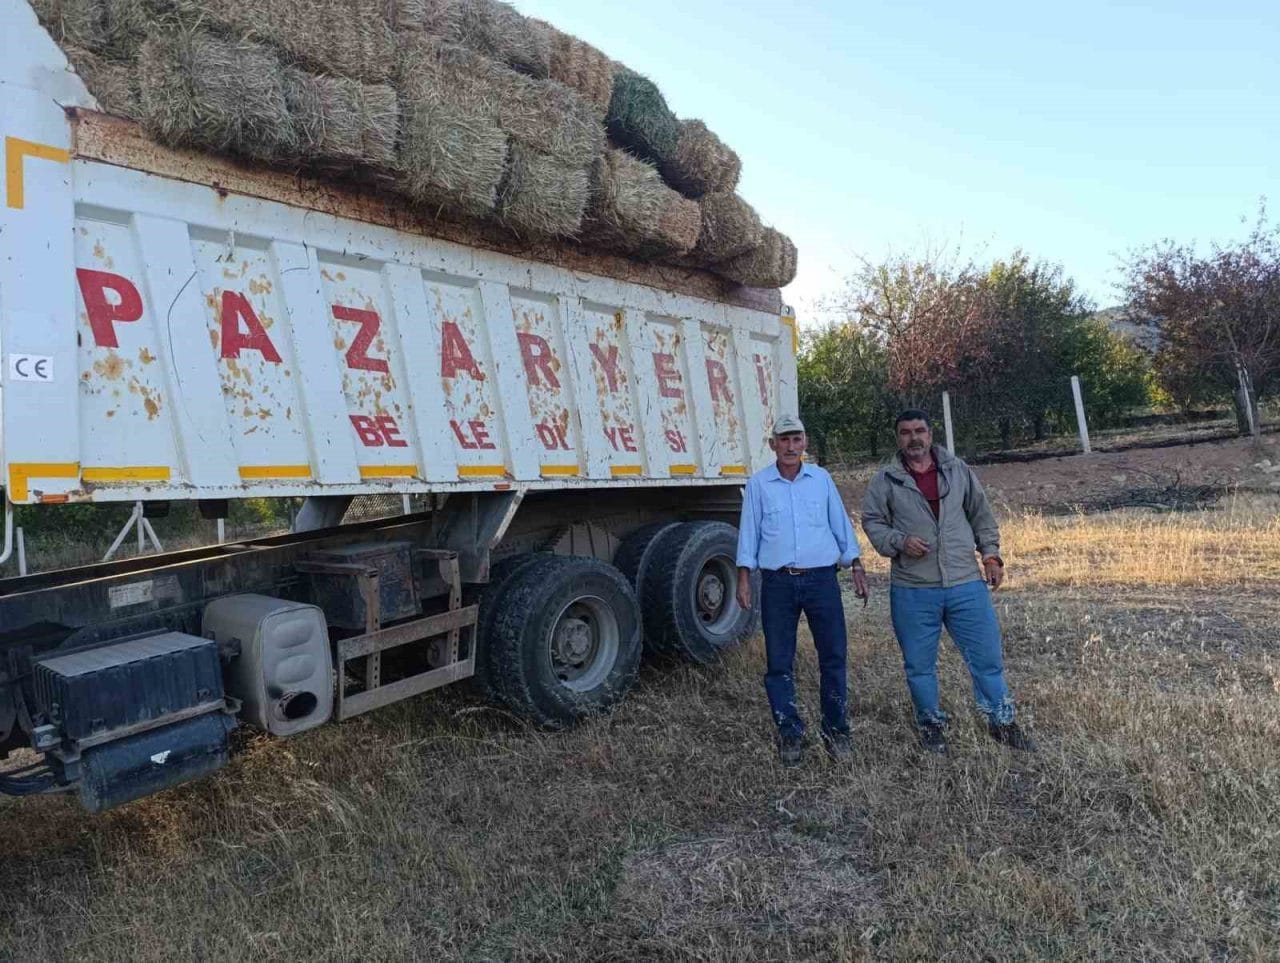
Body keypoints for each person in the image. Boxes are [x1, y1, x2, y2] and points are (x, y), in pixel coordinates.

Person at [861, 409, 1035, 754]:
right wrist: (899, 541)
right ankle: (931, 726)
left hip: (965, 583)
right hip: (913, 587)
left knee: (986, 658)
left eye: (920, 431)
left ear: (930, 434)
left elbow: (981, 515)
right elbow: (873, 522)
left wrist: (991, 556)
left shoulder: (958, 470)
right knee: (919, 665)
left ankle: (1002, 723)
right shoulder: (885, 480)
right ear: (898, 438)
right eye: (906, 432)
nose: (914, 438)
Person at [736, 415, 869, 766]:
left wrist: (856, 563)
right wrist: (744, 577)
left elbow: (840, 524)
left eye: (796, 439)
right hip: (778, 583)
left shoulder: (821, 480)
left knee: (834, 657)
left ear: (805, 442)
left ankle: (837, 731)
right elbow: (749, 533)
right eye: (784, 440)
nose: (791, 447)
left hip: (822, 581)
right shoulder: (759, 484)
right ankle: (790, 733)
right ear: (773, 445)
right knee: (779, 662)